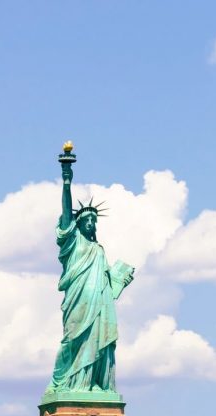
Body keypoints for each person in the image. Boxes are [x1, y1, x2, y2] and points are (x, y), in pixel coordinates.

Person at [46, 151, 134, 395]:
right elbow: (66, 212)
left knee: (100, 339)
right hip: (79, 299)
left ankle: (96, 383)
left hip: (101, 303)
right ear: (77, 223)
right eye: (86, 218)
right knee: (74, 338)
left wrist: (120, 279)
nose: (91, 223)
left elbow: (108, 282)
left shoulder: (99, 249)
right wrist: (66, 181)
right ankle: (69, 382)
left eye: (94, 220)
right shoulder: (72, 242)